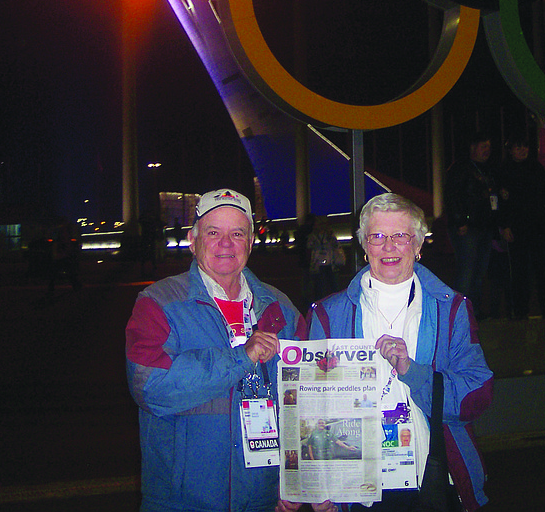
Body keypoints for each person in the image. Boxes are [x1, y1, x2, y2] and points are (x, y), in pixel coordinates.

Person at [305, 193, 493, 511]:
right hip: (358, 489)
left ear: (418, 246)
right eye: (377, 236)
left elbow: (477, 396)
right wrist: (316, 481)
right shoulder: (327, 315)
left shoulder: (452, 310)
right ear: (364, 247)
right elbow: (311, 407)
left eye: (400, 236)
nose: (389, 246)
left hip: (433, 479)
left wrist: (414, 373)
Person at [126, 188, 305, 512]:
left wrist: (293, 480)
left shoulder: (280, 309)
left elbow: (305, 400)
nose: (226, 243)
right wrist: (240, 358)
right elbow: (149, 386)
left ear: (251, 242)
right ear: (193, 241)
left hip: (261, 501)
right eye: (213, 232)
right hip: (181, 502)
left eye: (237, 233)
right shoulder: (159, 303)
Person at [496, 134, 545, 320]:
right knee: (519, 271)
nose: (522, 150)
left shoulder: (536, 167)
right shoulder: (504, 171)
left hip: (539, 226)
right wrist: (505, 225)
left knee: (543, 269)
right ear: (510, 150)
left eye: (525, 146)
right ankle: (520, 310)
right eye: (518, 147)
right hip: (517, 228)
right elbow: (501, 202)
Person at [444, 132, 499, 318]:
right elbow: (452, 196)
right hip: (467, 227)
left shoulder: (487, 170)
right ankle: (459, 314)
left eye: (489, 148)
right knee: (466, 270)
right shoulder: (461, 168)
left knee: (479, 270)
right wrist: (460, 220)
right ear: (473, 148)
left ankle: (473, 311)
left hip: (484, 226)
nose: (487, 151)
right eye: (483, 147)